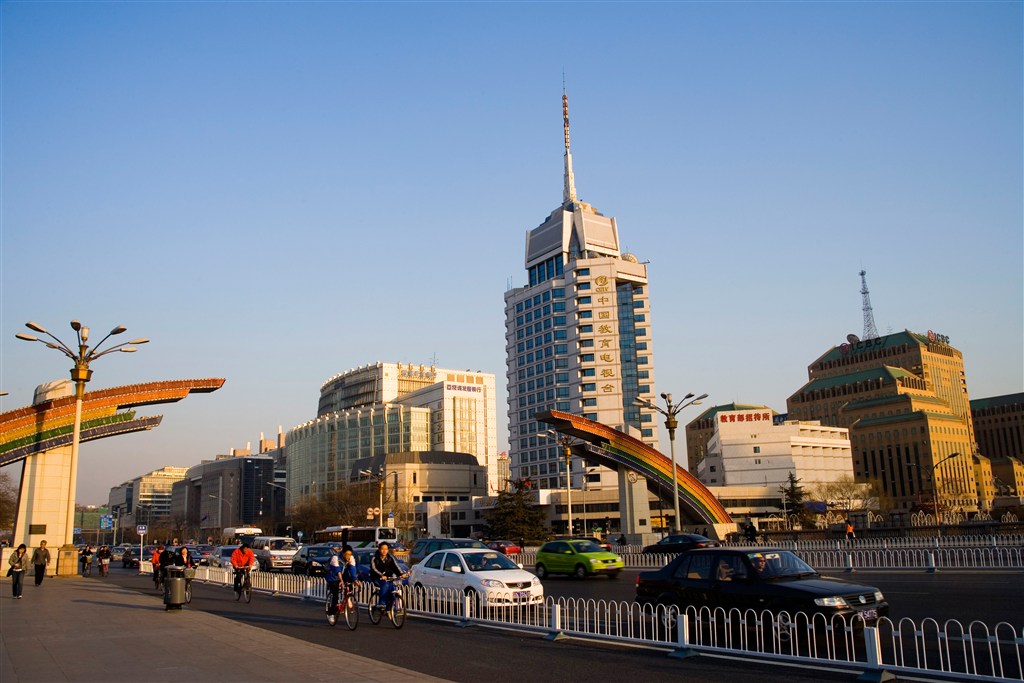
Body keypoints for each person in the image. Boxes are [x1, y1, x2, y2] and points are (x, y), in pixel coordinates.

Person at [325, 545, 358, 625]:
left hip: (343, 574)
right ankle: (331, 614)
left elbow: (353, 569)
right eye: (347, 554)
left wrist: (355, 579)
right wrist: (341, 580)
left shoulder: (351, 558)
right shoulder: (335, 558)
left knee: (350, 582)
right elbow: (337, 570)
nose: (348, 556)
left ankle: (348, 597)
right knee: (335, 594)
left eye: (350, 554)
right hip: (332, 576)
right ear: (342, 553)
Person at [369, 542, 405, 613]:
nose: (384, 551)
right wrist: (381, 575)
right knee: (385, 585)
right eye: (382, 549)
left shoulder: (390, 558)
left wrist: (401, 574)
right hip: (377, 578)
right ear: (379, 549)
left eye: (386, 549)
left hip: (388, 578)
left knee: (392, 589)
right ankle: (382, 604)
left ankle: (389, 608)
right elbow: (374, 569)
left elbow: (396, 567)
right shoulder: (375, 558)